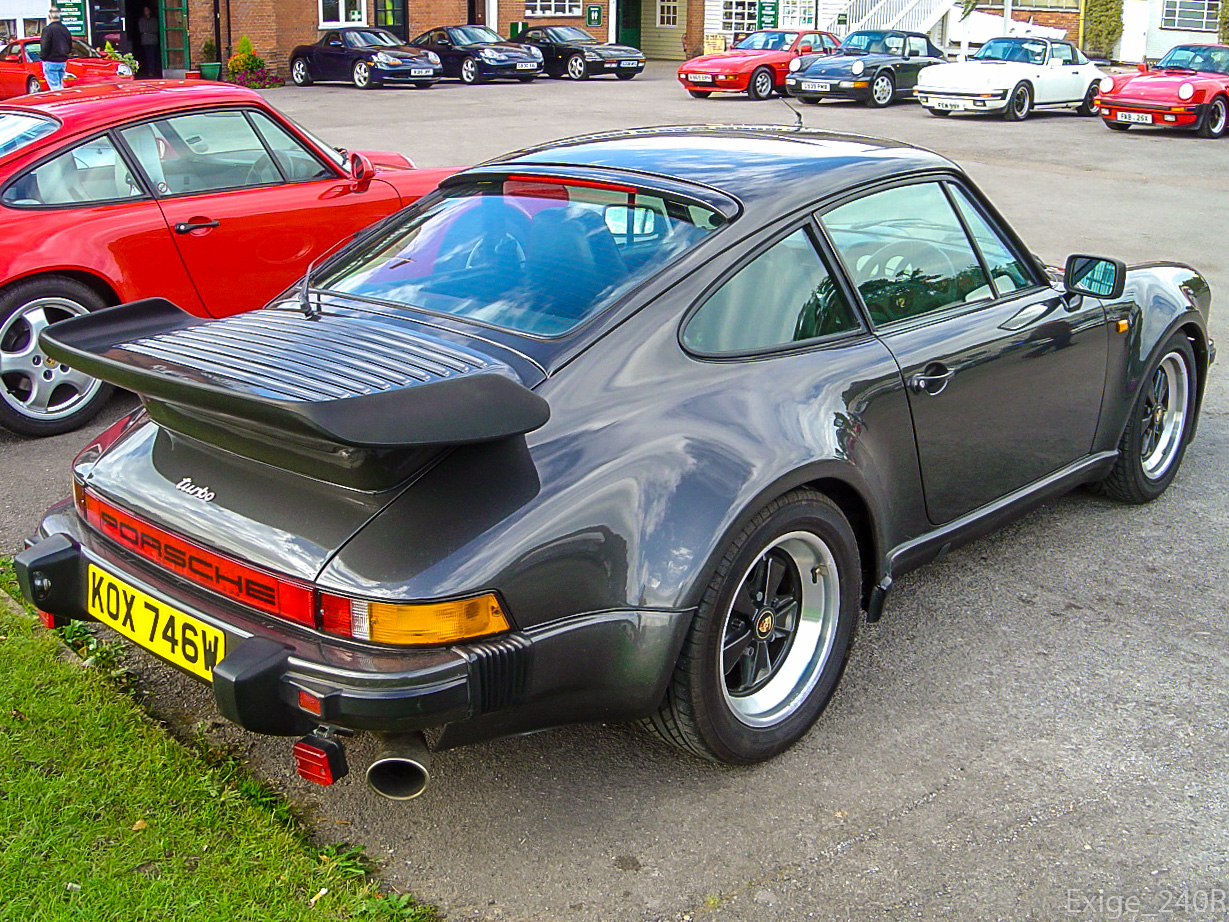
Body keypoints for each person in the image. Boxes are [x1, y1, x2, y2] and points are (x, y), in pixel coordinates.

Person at [39, 8, 72, 91]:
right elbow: (70, 43)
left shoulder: (48, 29)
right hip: (62, 61)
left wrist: (42, 57)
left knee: (55, 87)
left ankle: (60, 101)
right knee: (59, 84)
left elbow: (45, 45)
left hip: (50, 61)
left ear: (49, 17)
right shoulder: (65, 29)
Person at [137, 6, 160, 78]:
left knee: (153, 56)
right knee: (147, 56)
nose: (146, 11)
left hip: (153, 40)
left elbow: (155, 29)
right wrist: (148, 30)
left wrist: (147, 30)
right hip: (145, 41)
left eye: (147, 10)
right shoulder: (141, 20)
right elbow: (141, 29)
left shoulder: (154, 20)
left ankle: (152, 71)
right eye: (145, 10)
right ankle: (149, 71)